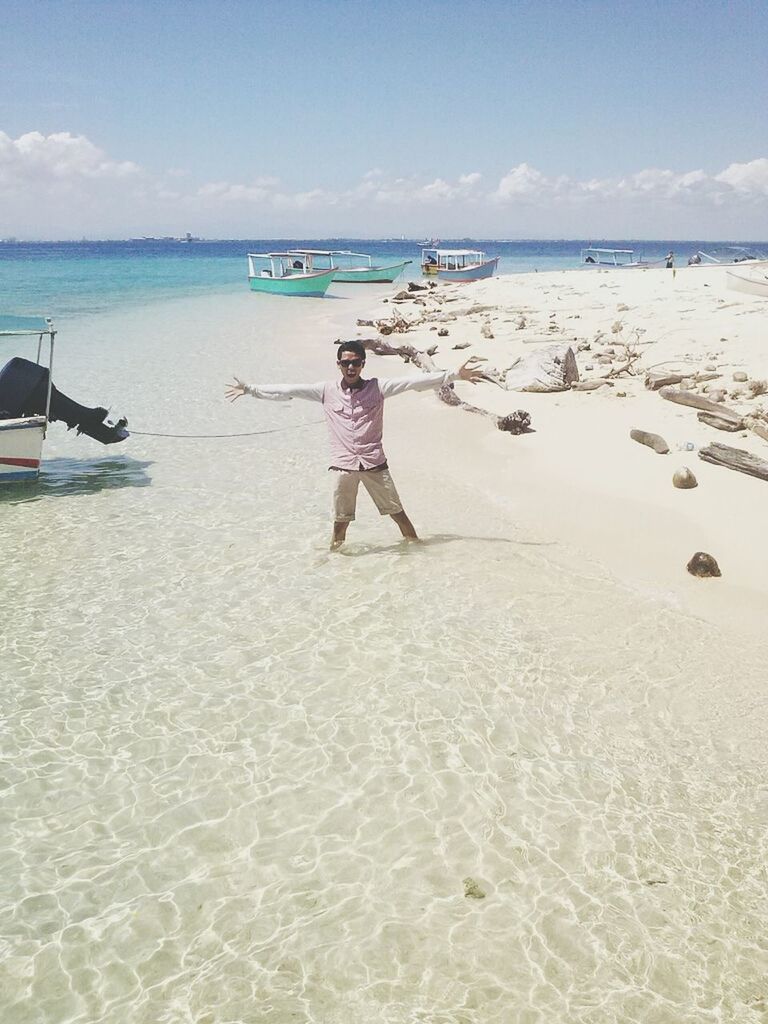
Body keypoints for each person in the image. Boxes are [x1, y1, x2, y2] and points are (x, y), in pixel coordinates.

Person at [225, 341, 488, 549]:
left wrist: (453, 374)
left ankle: (415, 551)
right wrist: (250, 389)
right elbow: (287, 390)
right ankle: (335, 558)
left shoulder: (379, 387)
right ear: (338, 364)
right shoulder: (325, 390)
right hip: (343, 466)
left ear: (363, 364)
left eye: (355, 363)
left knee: (397, 512)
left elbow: (413, 383)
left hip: (374, 463)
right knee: (341, 521)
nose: (350, 368)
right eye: (345, 363)